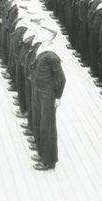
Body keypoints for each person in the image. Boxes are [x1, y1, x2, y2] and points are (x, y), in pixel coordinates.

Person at [30, 22, 66, 170]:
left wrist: (57, 97)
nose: (40, 33)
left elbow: (61, 78)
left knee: (47, 127)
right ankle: (41, 152)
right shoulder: (41, 48)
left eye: (43, 31)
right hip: (38, 90)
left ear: (50, 36)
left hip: (47, 94)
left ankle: (48, 161)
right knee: (38, 122)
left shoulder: (52, 56)